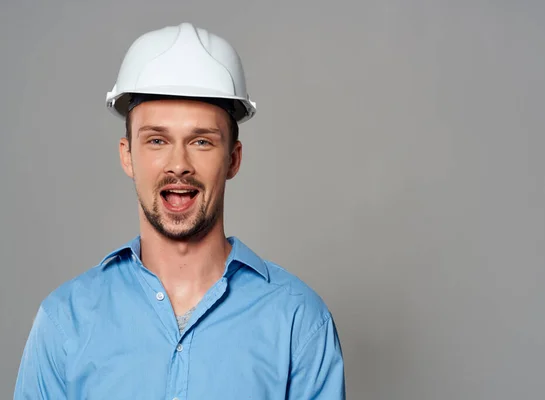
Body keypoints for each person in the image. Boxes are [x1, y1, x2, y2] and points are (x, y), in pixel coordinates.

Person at [14, 22, 345, 399]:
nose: (178, 164)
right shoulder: (65, 321)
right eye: (157, 140)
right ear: (127, 156)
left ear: (233, 160)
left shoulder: (299, 323)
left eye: (201, 141)